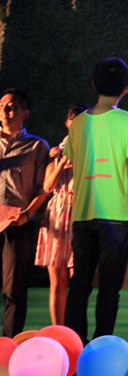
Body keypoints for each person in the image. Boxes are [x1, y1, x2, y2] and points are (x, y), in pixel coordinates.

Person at [64, 58, 128, 344]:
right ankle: (101, 349)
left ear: (94, 84)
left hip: (83, 213)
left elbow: (74, 163)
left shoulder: (78, 122)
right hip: (116, 214)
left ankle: (72, 348)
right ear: (126, 88)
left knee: (79, 285)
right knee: (109, 288)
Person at [0, 89, 50, 337]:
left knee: (14, 290)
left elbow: (44, 188)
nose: (5, 111)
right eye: (2, 106)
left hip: (17, 224)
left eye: (12, 107)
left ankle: (7, 347)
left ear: (25, 113)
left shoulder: (37, 146)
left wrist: (27, 213)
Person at [35, 103, 90, 326]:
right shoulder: (56, 152)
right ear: (67, 123)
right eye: (73, 120)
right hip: (58, 212)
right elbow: (48, 186)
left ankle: (76, 330)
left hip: (82, 212)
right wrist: (62, 161)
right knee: (57, 281)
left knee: (79, 280)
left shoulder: (93, 149)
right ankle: (57, 330)